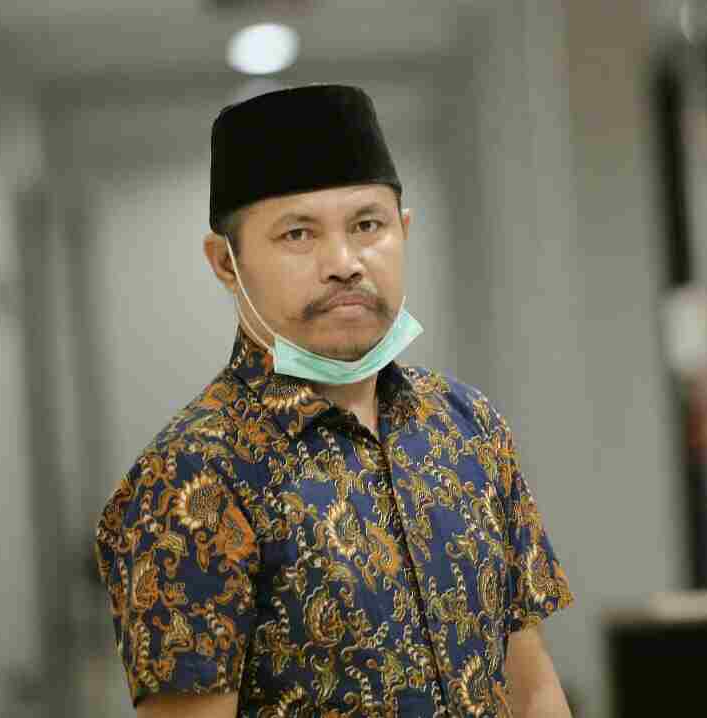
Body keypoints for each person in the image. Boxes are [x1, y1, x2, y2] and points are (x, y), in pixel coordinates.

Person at [94, 84, 574, 718]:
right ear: (226, 263)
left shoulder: (467, 427)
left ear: (404, 231)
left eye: (368, 225)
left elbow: (532, 687)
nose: (344, 262)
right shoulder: (192, 477)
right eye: (298, 233)